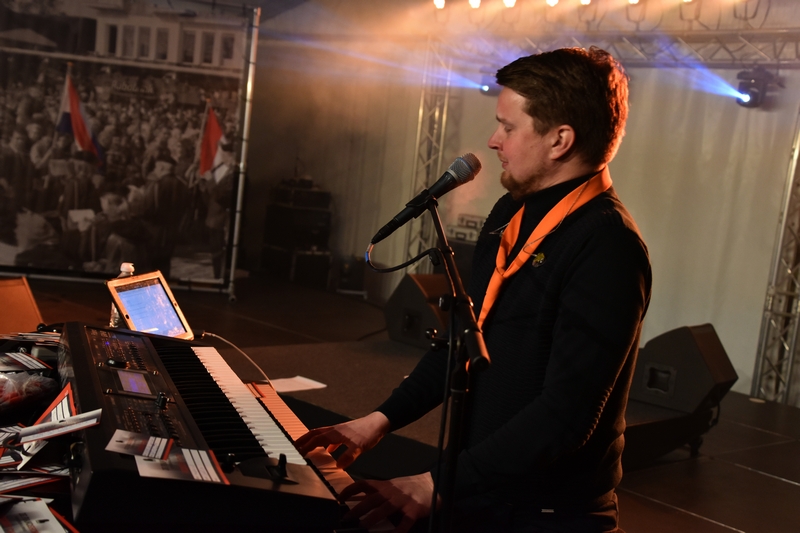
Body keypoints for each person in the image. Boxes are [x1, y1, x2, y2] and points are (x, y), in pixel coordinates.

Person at [296, 47, 652, 533]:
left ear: (560, 140)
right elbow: (462, 341)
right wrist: (379, 420)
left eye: (508, 126)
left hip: (546, 516)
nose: (492, 140)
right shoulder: (510, 211)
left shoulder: (608, 246)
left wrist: (439, 483)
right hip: (479, 490)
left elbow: (566, 414)